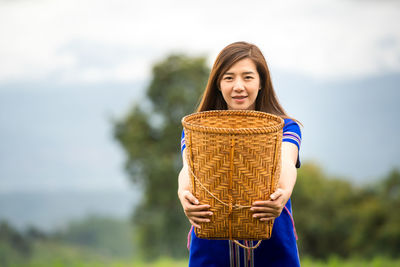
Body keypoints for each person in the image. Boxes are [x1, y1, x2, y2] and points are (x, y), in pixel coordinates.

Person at [178, 41, 302, 267]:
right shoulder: (198, 130)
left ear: (261, 82)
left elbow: (287, 161)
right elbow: (188, 168)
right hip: (211, 251)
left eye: (247, 77)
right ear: (218, 84)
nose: (238, 86)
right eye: (228, 78)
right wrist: (183, 193)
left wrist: (283, 193)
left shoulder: (285, 127)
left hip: (273, 248)